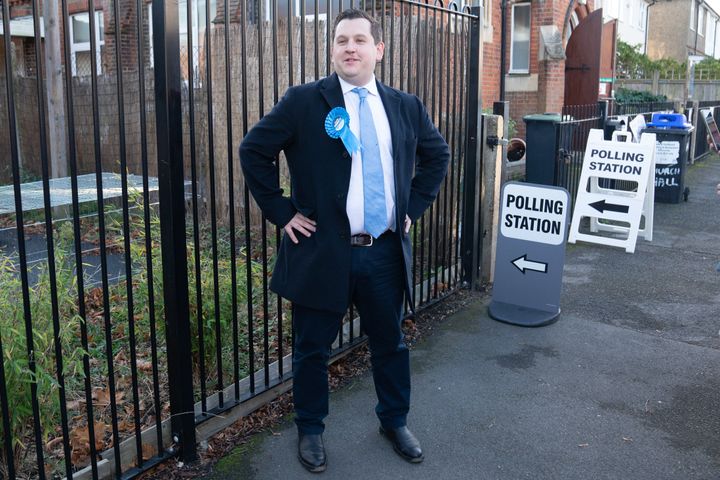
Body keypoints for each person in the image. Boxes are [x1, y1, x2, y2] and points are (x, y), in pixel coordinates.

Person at [239, 8, 449, 473]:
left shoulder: (404, 106)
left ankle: (394, 421)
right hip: (321, 252)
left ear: (379, 49)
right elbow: (253, 150)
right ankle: (310, 429)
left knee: (390, 343)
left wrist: (411, 209)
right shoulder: (303, 102)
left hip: (383, 253)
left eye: (358, 40)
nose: (349, 48)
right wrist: (282, 211)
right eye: (340, 40)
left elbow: (437, 157)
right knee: (312, 348)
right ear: (332, 49)